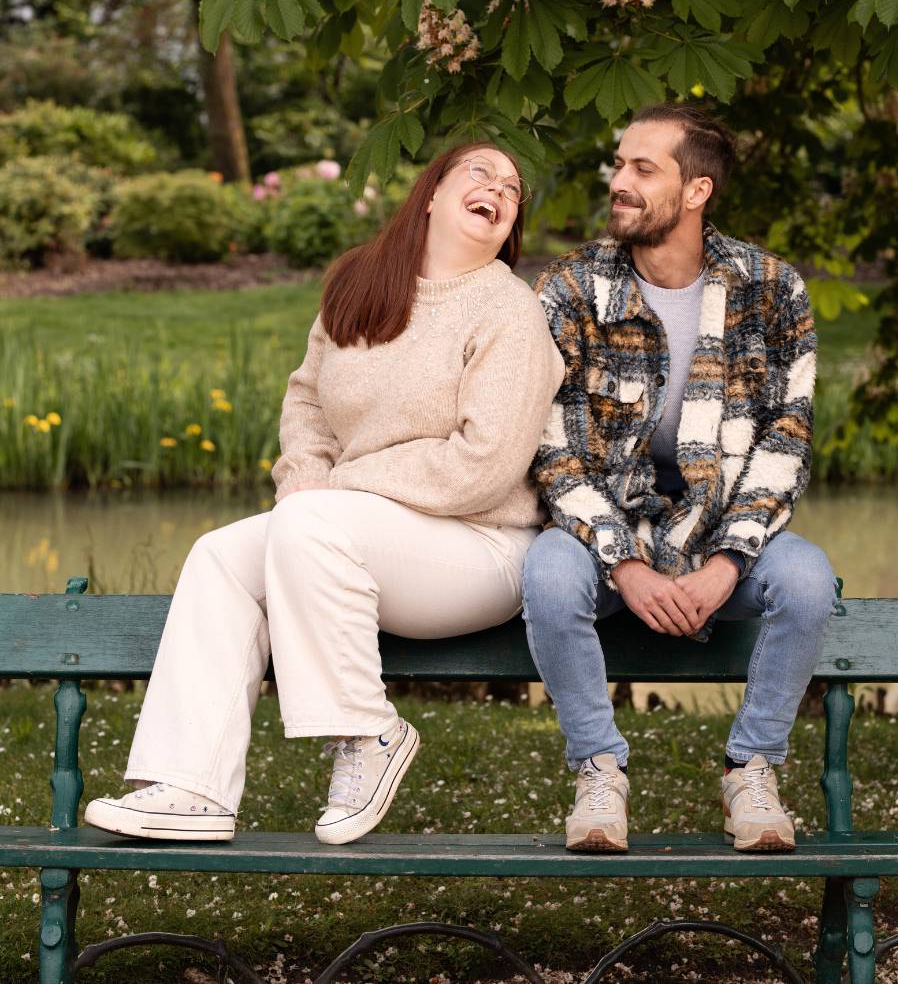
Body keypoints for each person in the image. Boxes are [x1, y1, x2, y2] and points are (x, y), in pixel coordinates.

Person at [85, 142, 564, 846]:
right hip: (348, 532)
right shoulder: (361, 284)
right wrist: (306, 480)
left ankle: (367, 733)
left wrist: (333, 491)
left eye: (514, 188)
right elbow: (307, 402)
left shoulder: (509, 312)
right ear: (430, 194)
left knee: (311, 522)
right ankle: (192, 786)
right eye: (480, 172)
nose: (498, 188)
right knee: (220, 556)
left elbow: (486, 466)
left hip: (481, 547)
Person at [521, 104, 835, 855]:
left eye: (642, 169)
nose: (618, 182)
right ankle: (599, 771)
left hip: (727, 533)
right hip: (607, 540)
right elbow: (551, 449)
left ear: (696, 191)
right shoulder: (571, 289)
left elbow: (785, 438)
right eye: (619, 164)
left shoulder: (772, 290)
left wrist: (728, 563)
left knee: (809, 580)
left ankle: (751, 767)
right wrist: (624, 564)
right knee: (547, 574)